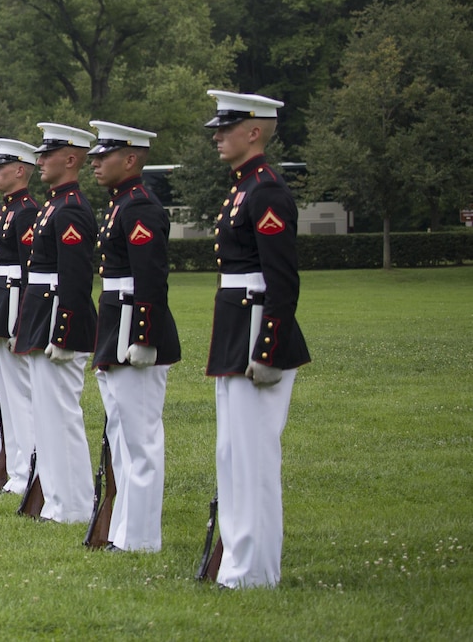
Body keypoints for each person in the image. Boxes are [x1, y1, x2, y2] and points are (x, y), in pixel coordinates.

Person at [204, 89, 311, 589]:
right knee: (232, 453)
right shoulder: (244, 188)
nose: (217, 136)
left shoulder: (265, 190)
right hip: (236, 329)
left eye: (226, 128)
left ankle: (256, 569)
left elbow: (281, 281)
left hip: (255, 334)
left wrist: (268, 349)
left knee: (254, 457)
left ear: (254, 132)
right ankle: (237, 563)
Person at [88, 120, 181, 552]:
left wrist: (145, 336)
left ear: (129, 159)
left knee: (140, 437)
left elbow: (151, 277)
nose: (94, 162)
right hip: (116, 322)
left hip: (133, 326)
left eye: (103, 155)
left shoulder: (139, 206)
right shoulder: (122, 205)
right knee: (121, 435)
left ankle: (140, 538)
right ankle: (124, 530)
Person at [13, 122, 97, 524]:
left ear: (71, 159)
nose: (40, 161)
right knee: (47, 417)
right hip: (42, 317)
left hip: (58, 323)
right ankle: (58, 500)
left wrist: (62, 333)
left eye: (47, 155)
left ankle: (76, 504)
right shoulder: (54, 206)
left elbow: (76, 278)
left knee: (61, 415)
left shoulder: (72, 209)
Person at [0, 137, 39, 494]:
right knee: (10, 393)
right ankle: (17, 469)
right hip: (4, 303)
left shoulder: (27, 211)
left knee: (20, 394)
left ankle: (26, 469)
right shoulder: (10, 209)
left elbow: (32, 272)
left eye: (0, 168)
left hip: (16, 305)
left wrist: (22, 319)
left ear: (20, 170)